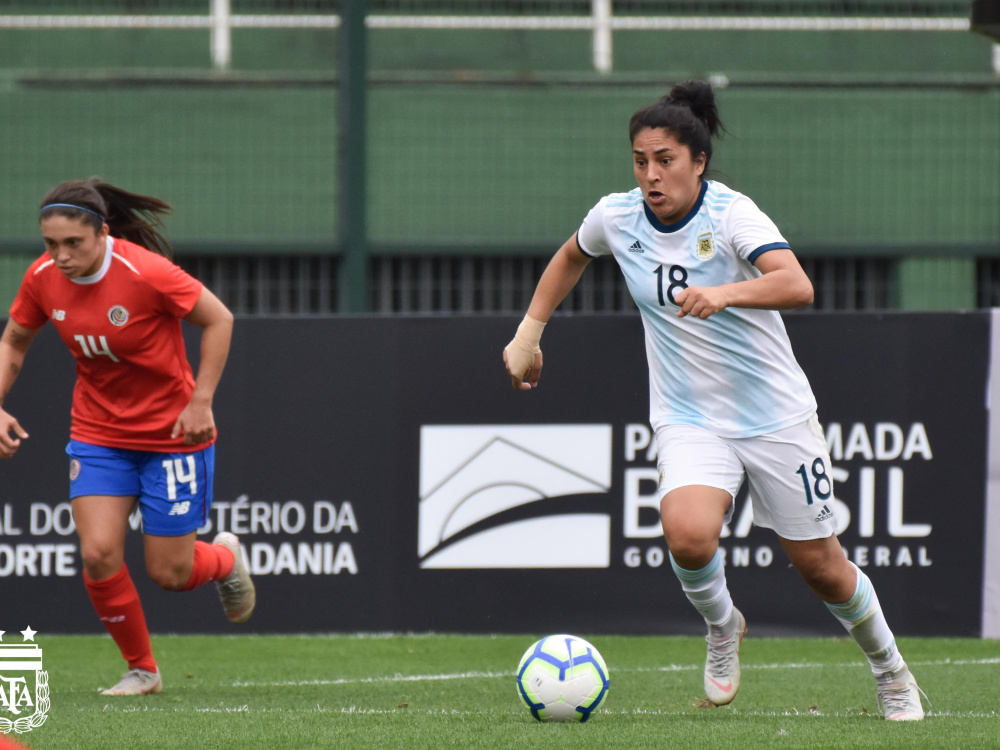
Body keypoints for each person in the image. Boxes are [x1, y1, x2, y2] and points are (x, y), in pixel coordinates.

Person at [503, 81, 926, 721]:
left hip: (775, 416)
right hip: (689, 417)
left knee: (822, 568)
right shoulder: (616, 217)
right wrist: (529, 334)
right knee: (689, 535)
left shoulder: (731, 215)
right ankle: (724, 625)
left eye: (665, 160)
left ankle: (891, 671)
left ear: (697, 162)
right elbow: (570, 256)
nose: (651, 175)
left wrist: (726, 293)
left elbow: (797, 285)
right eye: (640, 161)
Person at [0, 178, 255, 696]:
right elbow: (15, 340)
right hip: (98, 434)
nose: (61, 256)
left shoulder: (146, 272)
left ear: (102, 233)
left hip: (172, 435)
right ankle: (143, 670)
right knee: (98, 554)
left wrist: (201, 401)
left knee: (170, 574)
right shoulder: (43, 277)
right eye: (51, 244)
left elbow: (219, 319)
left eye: (73, 243)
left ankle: (226, 560)